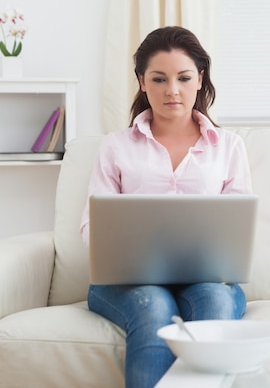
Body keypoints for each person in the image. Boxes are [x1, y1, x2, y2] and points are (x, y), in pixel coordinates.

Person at [79, 26, 253, 388]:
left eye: (184, 78)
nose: (172, 90)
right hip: (127, 283)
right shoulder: (115, 147)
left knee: (216, 305)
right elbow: (91, 228)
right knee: (154, 306)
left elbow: (238, 227)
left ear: (200, 79)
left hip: (205, 280)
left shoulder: (229, 147)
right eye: (159, 79)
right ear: (142, 81)